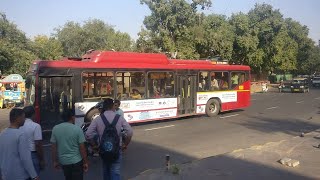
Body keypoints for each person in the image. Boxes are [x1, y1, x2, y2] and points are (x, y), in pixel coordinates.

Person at [86, 98, 133, 180]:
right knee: (115, 171)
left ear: (104, 107)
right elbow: (129, 132)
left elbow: (88, 134)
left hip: (103, 150)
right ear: (113, 106)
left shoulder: (98, 119)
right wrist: (125, 144)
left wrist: (94, 146)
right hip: (116, 149)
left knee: (106, 170)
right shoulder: (119, 118)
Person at [0, 108, 39, 180]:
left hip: (6, 175)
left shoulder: (2, 134)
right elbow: (25, 158)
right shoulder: (21, 135)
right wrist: (34, 175)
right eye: (23, 117)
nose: (24, 120)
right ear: (18, 118)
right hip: (20, 175)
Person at [50, 109, 88, 180]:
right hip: (76, 161)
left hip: (64, 162)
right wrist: (85, 162)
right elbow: (82, 148)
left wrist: (55, 161)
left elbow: (53, 148)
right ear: (72, 117)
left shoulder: (55, 129)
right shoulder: (77, 129)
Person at [20, 106, 45, 176]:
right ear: (33, 114)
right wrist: (41, 159)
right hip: (32, 155)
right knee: (34, 175)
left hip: (21, 154)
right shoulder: (36, 126)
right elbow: (38, 145)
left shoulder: (19, 125)